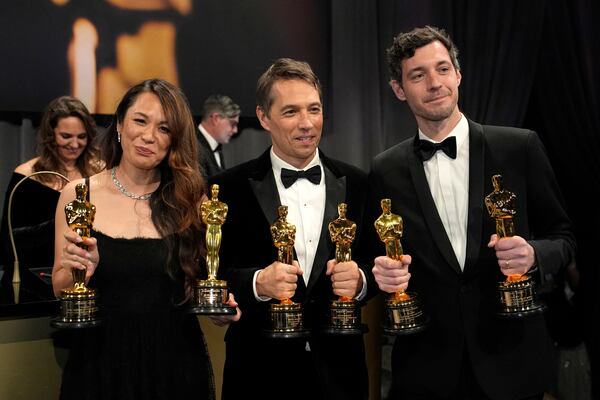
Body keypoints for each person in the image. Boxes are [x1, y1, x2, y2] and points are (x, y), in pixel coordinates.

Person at [366, 26, 575, 399]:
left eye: (443, 69)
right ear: (399, 89)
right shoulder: (385, 169)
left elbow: (564, 236)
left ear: (458, 75)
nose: (434, 83)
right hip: (427, 372)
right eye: (418, 75)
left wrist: (533, 254)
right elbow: (375, 256)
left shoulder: (518, 146)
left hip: (513, 364)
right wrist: (379, 270)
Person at [52, 79, 240, 400]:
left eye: (164, 129)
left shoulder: (191, 199)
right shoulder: (79, 195)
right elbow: (60, 287)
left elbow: (194, 286)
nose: (149, 136)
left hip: (175, 365)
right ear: (121, 123)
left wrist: (218, 310)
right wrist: (83, 267)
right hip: (100, 364)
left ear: (175, 141)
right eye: (140, 120)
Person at [210, 58, 376, 400]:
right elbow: (209, 270)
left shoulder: (359, 183)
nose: (306, 123)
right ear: (263, 117)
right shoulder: (227, 187)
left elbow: (377, 262)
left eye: (313, 109)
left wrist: (360, 282)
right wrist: (257, 283)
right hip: (258, 375)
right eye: (290, 112)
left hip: (341, 376)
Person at [0, 96, 102, 271]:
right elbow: (8, 242)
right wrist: (60, 224)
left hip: (90, 274)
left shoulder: (99, 173)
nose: (75, 144)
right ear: (51, 135)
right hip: (37, 277)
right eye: (66, 136)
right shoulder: (27, 175)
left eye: (82, 137)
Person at [197, 94, 240, 178]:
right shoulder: (193, 147)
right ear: (216, 118)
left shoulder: (215, 147)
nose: (235, 130)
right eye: (232, 124)